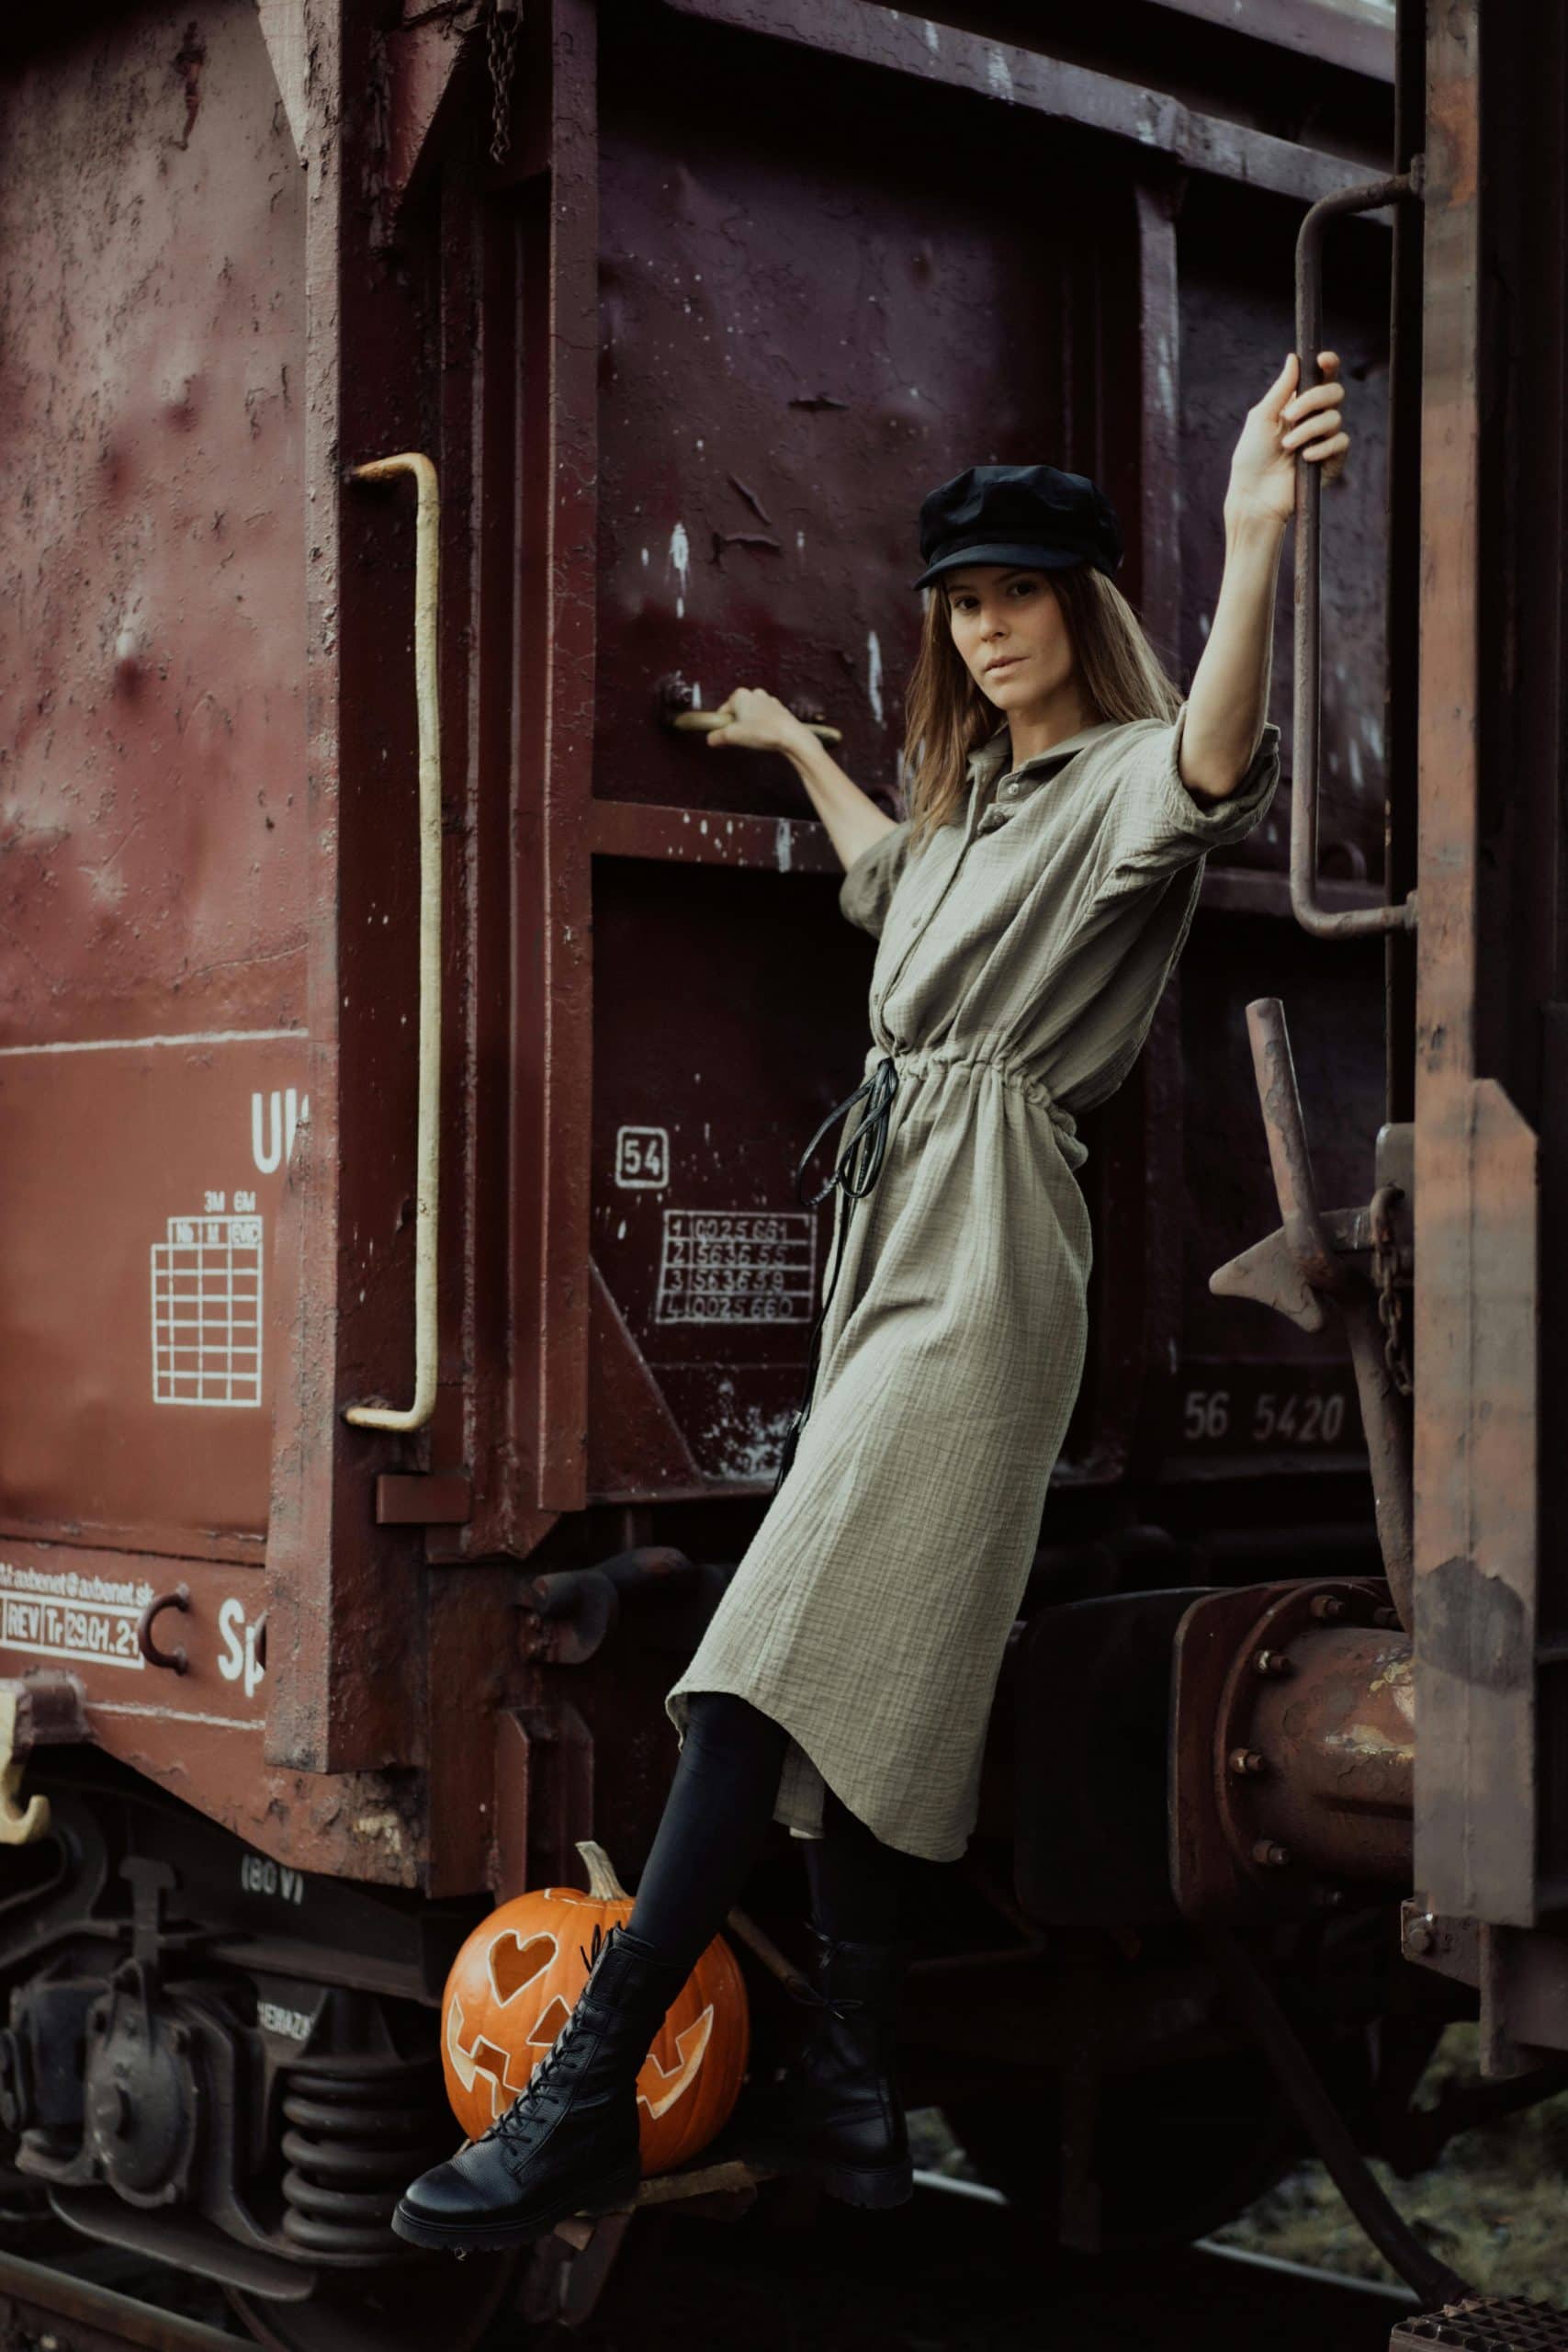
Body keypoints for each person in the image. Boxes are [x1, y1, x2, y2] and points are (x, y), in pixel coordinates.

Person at [393, 350, 1352, 2254]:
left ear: (1083, 610)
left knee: (765, 1654)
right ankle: (844, 2088)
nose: (989, 631)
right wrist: (786, 743)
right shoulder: (978, 810)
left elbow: (1207, 768)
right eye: (962, 604)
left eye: (1019, 597)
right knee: (863, 1665)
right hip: (888, 1240)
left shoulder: (1105, 795)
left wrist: (1254, 541)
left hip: (987, 1259)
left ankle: (585, 2092)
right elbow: (885, 894)